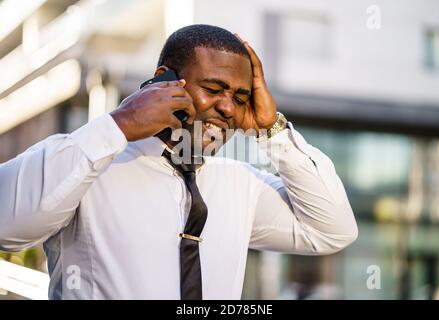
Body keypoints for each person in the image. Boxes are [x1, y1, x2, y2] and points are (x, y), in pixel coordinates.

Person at [0, 24, 358, 299]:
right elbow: (7, 227)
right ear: (164, 81)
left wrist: (272, 129)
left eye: (240, 96)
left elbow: (332, 230)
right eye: (214, 89)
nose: (228, 108)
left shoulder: (241, 183)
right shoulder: (87, 160)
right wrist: (120, 124)